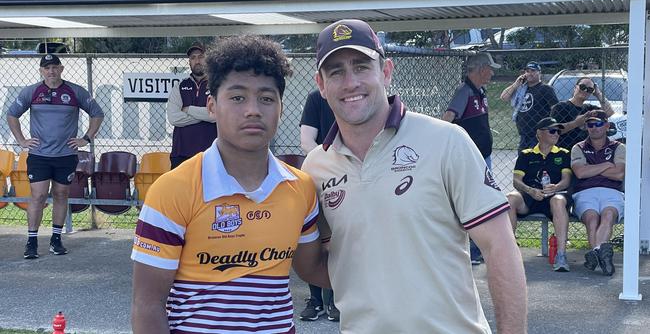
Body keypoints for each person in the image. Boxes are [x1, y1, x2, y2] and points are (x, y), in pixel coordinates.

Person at [302, 19, 527, 334]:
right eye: (336, 71)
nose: (350, 82)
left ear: (386, 71)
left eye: (362, 66)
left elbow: (500, 247)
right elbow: (326, 264)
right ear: (321, 85)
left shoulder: (446, 140)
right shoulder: (315, 167)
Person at [131, 35, 329, 333]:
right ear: (211, 106)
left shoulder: (300, 188)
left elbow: (313, 268)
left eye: (266, 98)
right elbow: (148, 305)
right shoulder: (173, 189)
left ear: (281, 108)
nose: (253, 110)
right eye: (237, 97)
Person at [7, 54, 104, 259]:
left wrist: (86, 138)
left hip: (66, 155)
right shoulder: (32, 91)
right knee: (39, 196)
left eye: (54, 67)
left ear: (61, 69)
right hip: (39, 155)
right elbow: (12, 114)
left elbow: (97, 113)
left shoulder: (75, 91)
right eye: (46, 68)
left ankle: (56, 239)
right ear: (41, 71)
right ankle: (31, 242)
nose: (51, 71)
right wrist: (22, 140)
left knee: (61, 194)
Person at [506, 117, 572, 272]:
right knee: (509, 199)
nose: (556, 134)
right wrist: (530, 190)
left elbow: (566, 180)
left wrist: (555, 187)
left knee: (557, 201)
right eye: (552, 131)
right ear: (539, 134)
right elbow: (516, 181)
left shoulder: (563, 153)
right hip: (531, 194)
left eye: (558, 131)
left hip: (555, 195)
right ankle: (509, 254)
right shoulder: (526, 154)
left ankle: (561, 255)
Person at [298, 89, 339, 322]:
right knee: (313, 238)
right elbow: (307, 140)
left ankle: (336, 299)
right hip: (321, 175)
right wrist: (330, 164)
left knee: (339, 239)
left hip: (352, 178)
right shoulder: (316, 97)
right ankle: (315, 300)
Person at [571, 110, 625, 276]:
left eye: (598, 124)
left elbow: (620, 174)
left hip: (612, 191)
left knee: (608, 215)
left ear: (607, 125)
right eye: (590, 124)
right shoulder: (578, 147)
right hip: (585, 192)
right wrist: (607, 164)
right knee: (592, 218)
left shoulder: (619, 147)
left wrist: (591, 169)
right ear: (586, 127)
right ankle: (602, 254)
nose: (594, 128)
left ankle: (595, 253)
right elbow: (580, 173)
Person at [441, 52, 499, 169]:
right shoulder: (464, 91)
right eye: (490, 69)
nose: (492, 73)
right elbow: (449, 117)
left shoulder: (480, 91)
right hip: (471, 157)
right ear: (482, 70)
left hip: (483, 154)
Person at [166, 42, 217, 169]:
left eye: (200, 56)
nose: (197, 61)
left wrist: (188, 109)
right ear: (189, 62)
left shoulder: (217, 85)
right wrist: (205, 114)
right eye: (193, 58)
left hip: (209, 153)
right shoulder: (180, 86)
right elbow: (173, 118)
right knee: (179, 189)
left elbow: (216, 115)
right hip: (181, 153)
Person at [500, 61, 558, 151]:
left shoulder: (545, 89)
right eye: (527, 71)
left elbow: (555, 109)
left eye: (533, 71)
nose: (529, 73)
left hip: (539, 136)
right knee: (523, 162)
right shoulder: (522, 89)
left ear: (539, 73)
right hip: (524, 135)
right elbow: (504, 97)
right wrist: (516, 84)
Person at [551, 76, 614, 150]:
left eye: (589, 89)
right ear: (575, 88)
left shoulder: (589, 108)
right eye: (582, 87)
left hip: (586, 152)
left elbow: (609, 112)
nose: (585, 90)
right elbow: (553, 130)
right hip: (564, 151)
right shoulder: (561, 106)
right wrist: (576, 123)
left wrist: (598, 94)